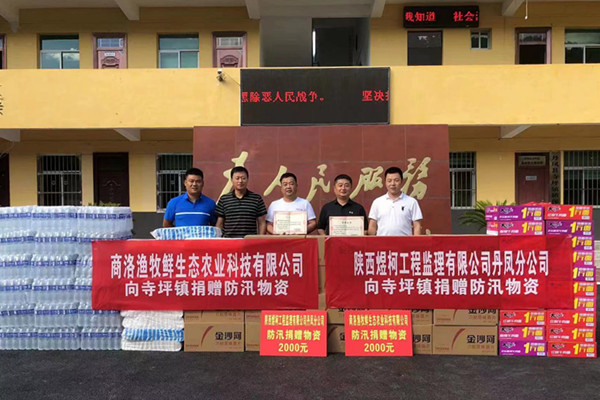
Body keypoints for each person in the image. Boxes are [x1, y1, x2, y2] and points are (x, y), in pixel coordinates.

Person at [368, 166, 423, 236]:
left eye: (396, 180)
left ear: (401, 181)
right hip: (382, 242)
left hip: (405, 242)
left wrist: (416, 241)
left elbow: (417, 225)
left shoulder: (411, 202)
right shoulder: (377, 202)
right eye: (389, 181)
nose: (393, 184)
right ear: (385, 182)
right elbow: (372, 226)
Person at [215, 166, 267, 238]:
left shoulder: (256, 199)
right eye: (237, 178)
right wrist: (219, 240)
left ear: (247, 180)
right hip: (229, 241)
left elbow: (262, 223)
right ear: (232, 180)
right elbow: (219, 224)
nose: (240, 181)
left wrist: (259, 239)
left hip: (249, 241)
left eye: (243, 178)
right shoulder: (224, 199)